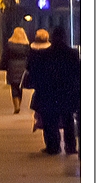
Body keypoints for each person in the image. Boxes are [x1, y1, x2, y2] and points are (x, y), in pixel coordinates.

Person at [24, 26, 80, 155]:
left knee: (50, 120)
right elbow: (78, 73)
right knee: (68, 120)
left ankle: (53, 146)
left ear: (53, 38)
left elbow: (36, 73)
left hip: (49, 93)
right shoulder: (72, 54)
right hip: (67, 92)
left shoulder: (45, 54)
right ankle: (70, 147)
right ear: (65, 37)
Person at [0, 26, 31, 113]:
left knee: (14, 87)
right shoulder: (26, 45)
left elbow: (5, 57)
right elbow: (30, 58)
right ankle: (19, 103)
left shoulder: (9, 45)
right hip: (23, 68)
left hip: (12, 68)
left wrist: (3, 66)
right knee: (20, 87)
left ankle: (16, 105)